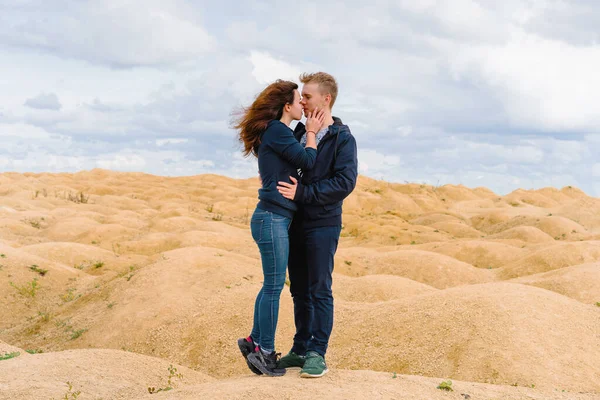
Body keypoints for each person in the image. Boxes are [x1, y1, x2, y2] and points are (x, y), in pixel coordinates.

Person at [233, 79, 325, 376]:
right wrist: (311, 132)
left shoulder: (279, 132)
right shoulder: (277, 131)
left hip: (272, 217)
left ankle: (253, 341)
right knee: (273, 287)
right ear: (287, 106)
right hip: (271, 217)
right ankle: (265, 351)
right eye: (300, 101)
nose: (303, 106)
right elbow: (307, 160)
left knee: (270, 285)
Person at [276, 72, 358, 378]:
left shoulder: (343, 139)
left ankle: (316, 353)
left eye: (307, 96)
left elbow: (344, 182)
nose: (301, 101)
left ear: (327, 99)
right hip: (294, 223)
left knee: (319, 288)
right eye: (301, 97)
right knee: (298, 289)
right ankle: (299, 348)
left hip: (323, 223)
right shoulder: (299, 133)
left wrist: (303, 193)